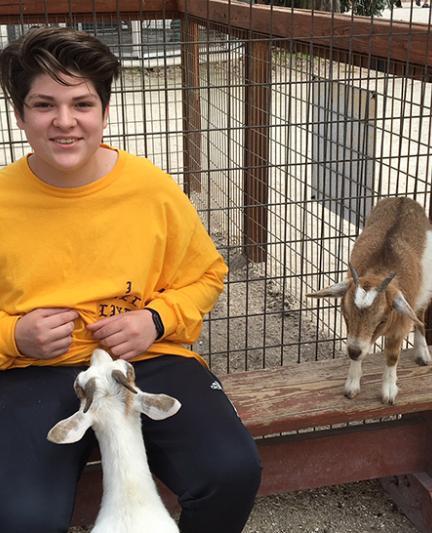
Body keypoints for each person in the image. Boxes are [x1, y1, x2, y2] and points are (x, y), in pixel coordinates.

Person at [0, 26, 261, 533]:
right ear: (19, 113)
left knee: (231, 472)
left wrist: (156, 319)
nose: (64, 122)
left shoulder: (150, 189)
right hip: (31, 369)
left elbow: (208, 274)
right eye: (43, 104)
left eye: (81, 104)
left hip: (146, 360)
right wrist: (14, 335)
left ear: (104, 110)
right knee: (22, 518)